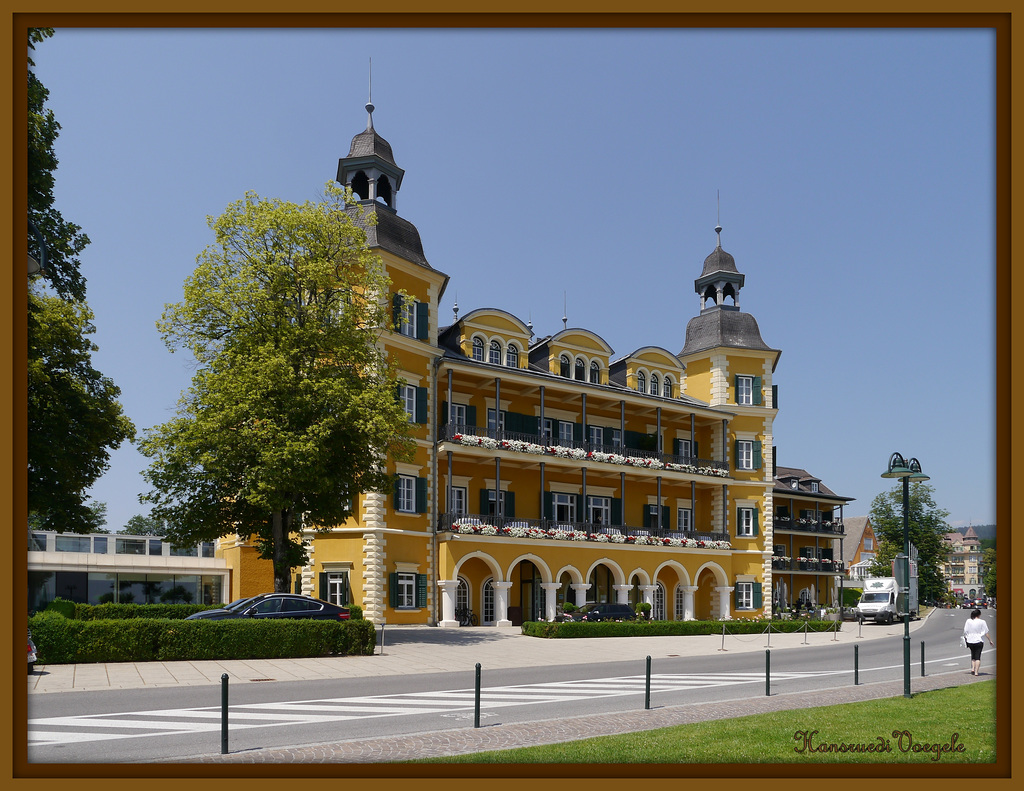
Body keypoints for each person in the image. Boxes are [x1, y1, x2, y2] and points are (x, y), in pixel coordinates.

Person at [963, 608, 995, 676]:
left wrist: (966, 638)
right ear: (979, 615)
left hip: (970, 640)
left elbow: (965, 631)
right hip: (979, 640)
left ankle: (973, 668)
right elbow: (986, 632)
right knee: (978, 656)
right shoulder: (982, 622)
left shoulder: (968, 621)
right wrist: (990, 640)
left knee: (973, 655)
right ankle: (976, 672)